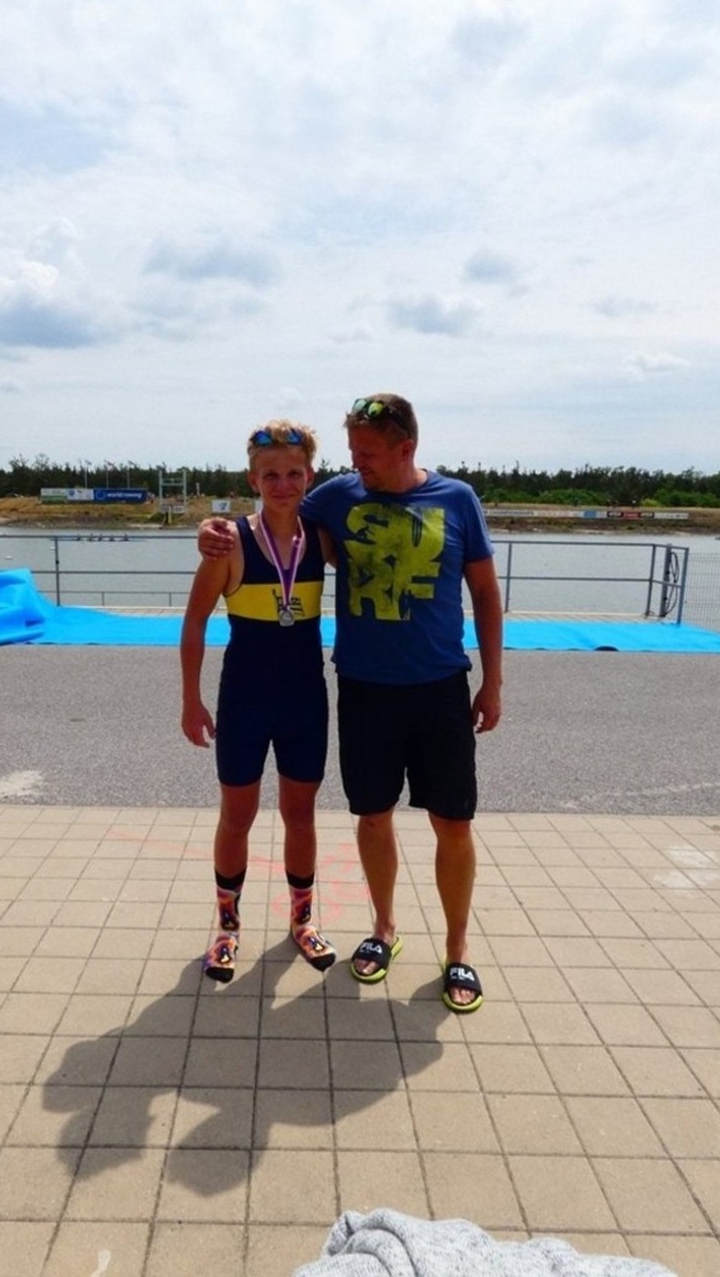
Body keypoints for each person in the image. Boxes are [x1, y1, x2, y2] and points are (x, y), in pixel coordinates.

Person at [199, 393, 503, 1012]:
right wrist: (209, 528)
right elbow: (271, 509)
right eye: (350, 453)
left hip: (440, 685)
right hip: (364, 689)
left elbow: (485, 594)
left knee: (453, 823)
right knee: (372, 817)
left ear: (406, 448)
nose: (355, 464)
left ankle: (458, 949)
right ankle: (382, 929)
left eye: (366, 454)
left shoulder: (457, 499)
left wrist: (493, 681)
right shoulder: (338, 495)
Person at [181, 420, 337, 983]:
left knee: (301, 815)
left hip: (305, 702)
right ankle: (227, 928)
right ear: (253, 479)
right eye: (270, 475)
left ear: (310, 477)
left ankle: (302, 921)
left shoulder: (323, 539)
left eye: (293, 473)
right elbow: (194, 621)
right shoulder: (229, 543)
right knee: (237, 816)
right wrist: (191, 700)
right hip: (244, 701)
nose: (282, 484)